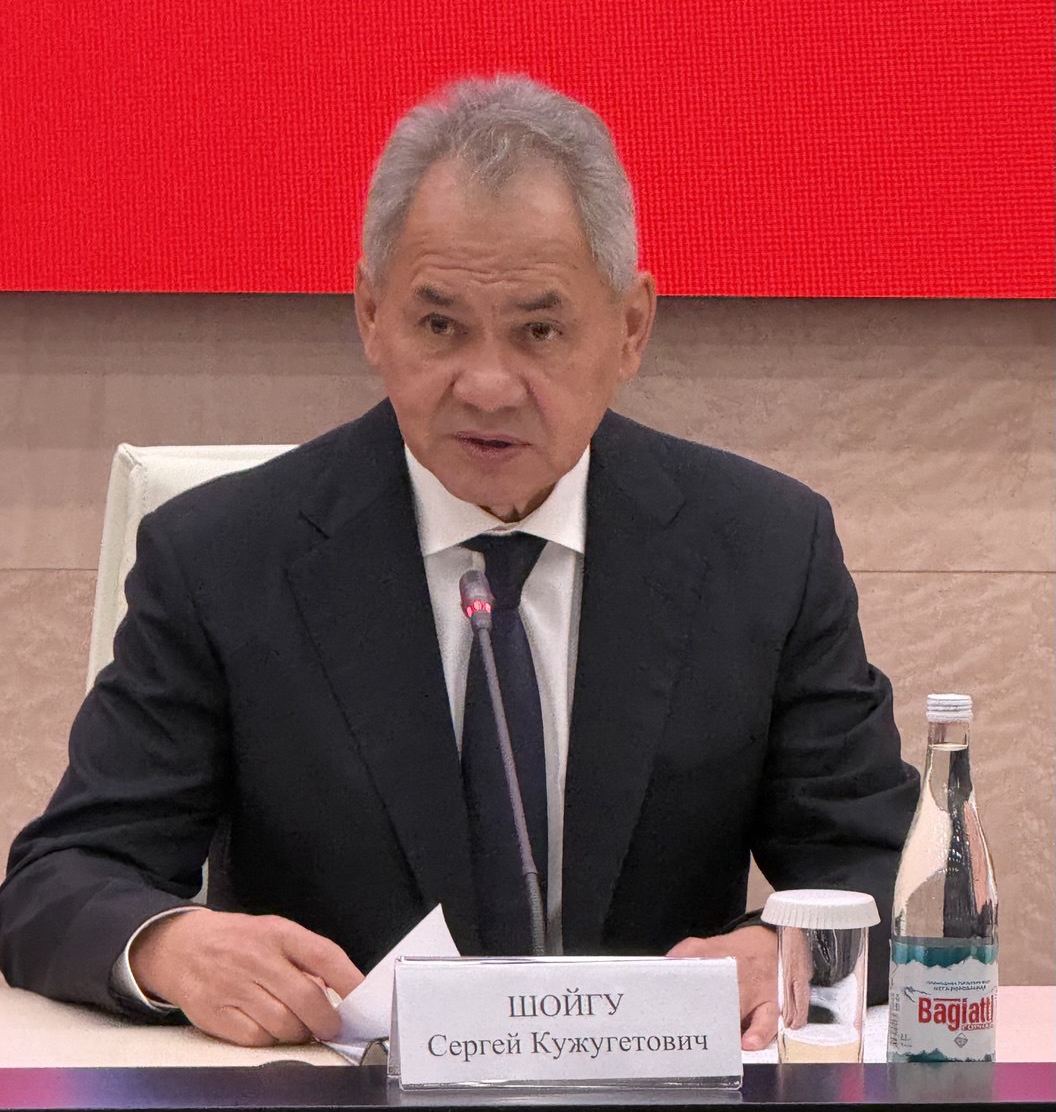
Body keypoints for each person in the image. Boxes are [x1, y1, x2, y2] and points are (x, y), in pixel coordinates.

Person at [0, 76, 917, 1050]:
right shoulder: (222, 559)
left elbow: (889, 872)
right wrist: (170, 945)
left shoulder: (763, 550)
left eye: (539, 330)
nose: (485, 385)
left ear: (631, 328)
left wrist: (787, 950)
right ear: (370, 315)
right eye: (440, 326)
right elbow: (61, 879)